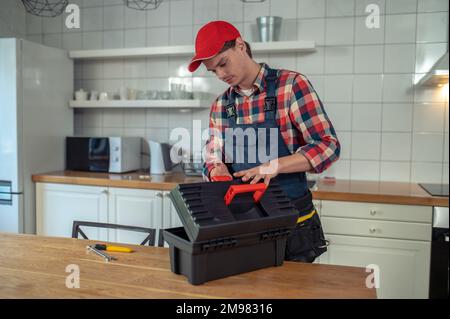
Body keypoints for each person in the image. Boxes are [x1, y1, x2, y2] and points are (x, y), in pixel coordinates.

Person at [188, 21, 340, 263]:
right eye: (213, 71)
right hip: (243, 224)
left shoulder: (291, 86)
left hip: (292, 225)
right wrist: (216, 168)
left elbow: (327, 146)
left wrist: (274, 166)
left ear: (240, 46)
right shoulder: (220, 105)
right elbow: (211, 155)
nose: (220, 75)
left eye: (223, 63)